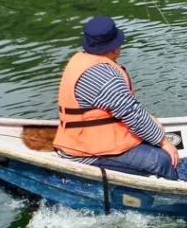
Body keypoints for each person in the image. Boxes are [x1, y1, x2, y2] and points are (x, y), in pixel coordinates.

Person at [53, 16, 179, 179]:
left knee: (153, 141)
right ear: (114, 48)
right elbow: (133, 115)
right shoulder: (104, 78)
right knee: (161, 160)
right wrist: (164, 142)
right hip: (86, 154)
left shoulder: (81, 61)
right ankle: (173, 200)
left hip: (80, 142)